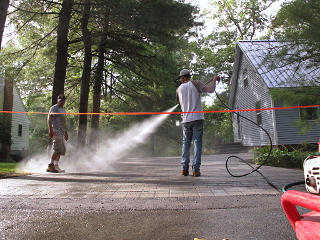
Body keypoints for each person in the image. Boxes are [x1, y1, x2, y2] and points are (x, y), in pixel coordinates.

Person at [176, 69, 219, 177]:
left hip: (186, 120)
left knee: (186, 144)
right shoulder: (196, 83)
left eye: (181, 78)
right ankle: (196, 170)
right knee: (197, 143)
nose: (180, 80)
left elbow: (180, 105)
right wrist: (214, 80)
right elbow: (210, 90)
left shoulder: (178, 89)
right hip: (197, 118)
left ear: (183, 77)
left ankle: (184, 169)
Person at [46, 94, 68, 173]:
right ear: (57, 100)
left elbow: (63, 122)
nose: (61, 102)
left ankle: (56, 165)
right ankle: (50, 165)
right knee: (57, 148)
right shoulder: (54, 108)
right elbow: (49, 119)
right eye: (60, 100)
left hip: (61, 131)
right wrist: (50, 129)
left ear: (64, 101)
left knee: (62, 150)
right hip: (56, 130)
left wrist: (65, 132)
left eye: (62, 101)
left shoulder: (63, 110)